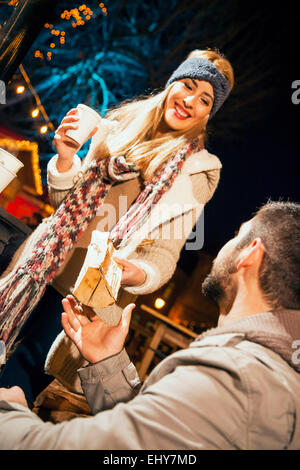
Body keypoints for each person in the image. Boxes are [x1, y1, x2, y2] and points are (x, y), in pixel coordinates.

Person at [0, 48, 234, 406]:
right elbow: (66, 207)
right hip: (37, 268)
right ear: (172, 84)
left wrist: (136, 273)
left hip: (84, 305)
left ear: (208, 113)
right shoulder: (115, 129)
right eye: (187, 84)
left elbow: (164, 257)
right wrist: (65, 159)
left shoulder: (197, 172)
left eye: (205, 99)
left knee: (12, 392)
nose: (190, 100)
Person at [0, 200, 299, 450]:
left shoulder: (235, 379)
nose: (227, 242)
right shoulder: (273, 374)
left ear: (250, 252)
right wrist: (109, 366)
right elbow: (163, 437)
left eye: (237, 235)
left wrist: (8, 410)